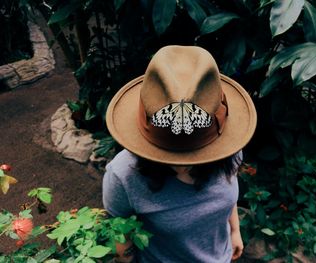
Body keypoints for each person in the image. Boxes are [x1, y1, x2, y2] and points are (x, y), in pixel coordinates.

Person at [102, 45, 257, 262]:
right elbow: (120, 235)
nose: (183, 163)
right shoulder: (123, 176)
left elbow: (228, 192)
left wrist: (234, 231)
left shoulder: (229, 151)